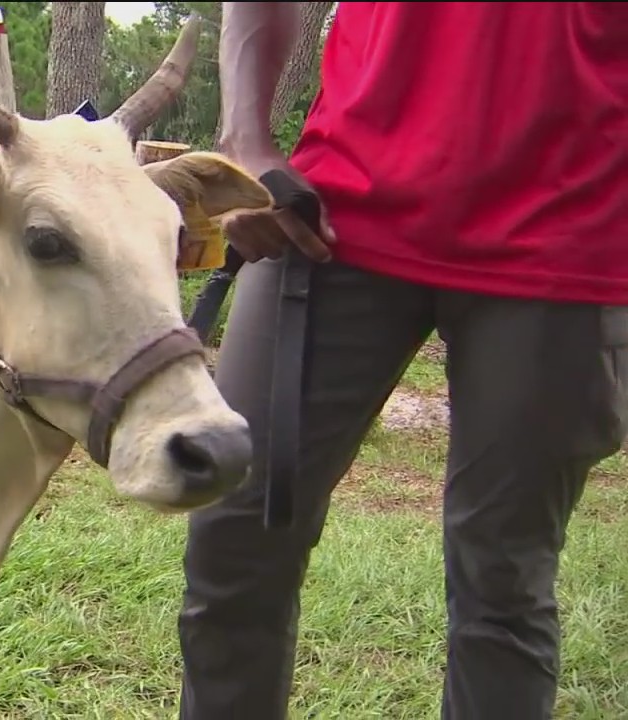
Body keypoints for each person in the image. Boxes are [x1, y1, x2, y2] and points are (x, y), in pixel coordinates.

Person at [177, 3, 627, 719]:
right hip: (332, 214)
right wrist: (244, 143)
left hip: (566, 228)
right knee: (235, 534)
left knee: (503, 580)